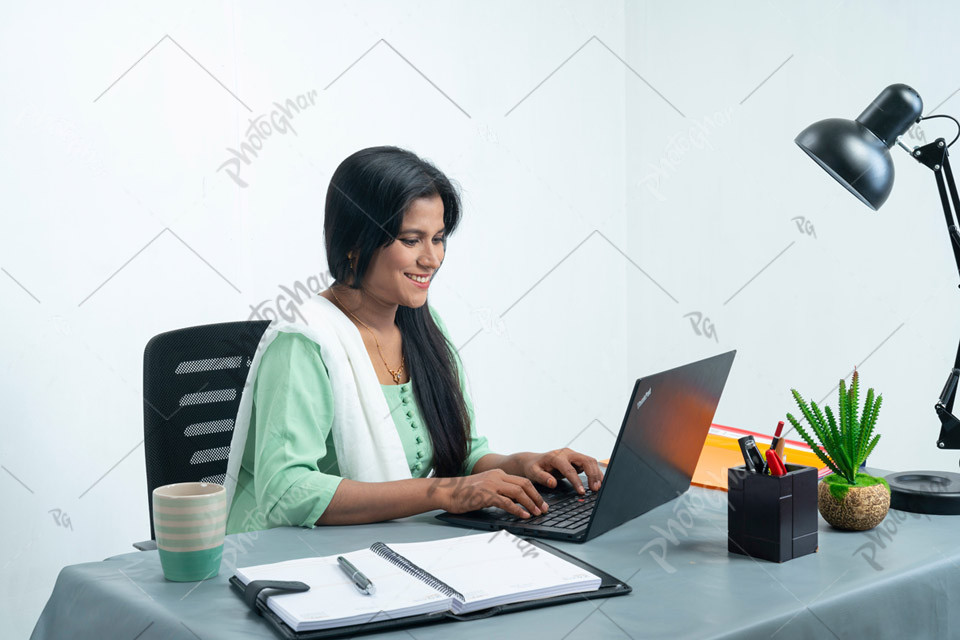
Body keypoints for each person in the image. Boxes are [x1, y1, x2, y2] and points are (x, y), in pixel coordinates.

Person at [224, 146, 603, 534]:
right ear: (355, 244)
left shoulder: (421, 324)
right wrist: (441, 493)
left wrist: (524, 465)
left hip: (387, 546)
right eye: (411, 240)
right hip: (286, 561)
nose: (432, 258)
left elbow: (461, 454)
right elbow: (286, 490)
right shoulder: (304, 343)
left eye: (438, 238)